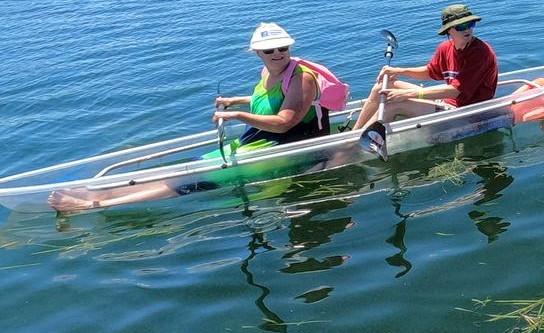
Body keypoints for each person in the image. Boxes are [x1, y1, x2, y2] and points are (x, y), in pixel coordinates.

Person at [47, 22, 332, 212]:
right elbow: (268, 101)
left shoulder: (301, 78)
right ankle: (103, 192)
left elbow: (285, 122)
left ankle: (94, 205)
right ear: (257, 52)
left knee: (187, 182)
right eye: (270, 50)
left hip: (284, 145)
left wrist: (236, 114)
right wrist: (238, 100)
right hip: (257, 140)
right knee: (189, 168)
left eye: (283, 48)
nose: (278, 53)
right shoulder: (269, 72)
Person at [351, 3, 498, 134]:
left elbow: (455, 91)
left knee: (393, 106)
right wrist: (398, 71)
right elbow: (430, 72)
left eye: (470, 24)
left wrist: (410, 94)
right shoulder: (445, 48)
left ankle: (351, 147)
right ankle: (353, 134)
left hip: (468, 114)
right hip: (446, 104)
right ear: (449, 31)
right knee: (381, 86)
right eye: (461, 26)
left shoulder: (480, 52)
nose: (467, 30)